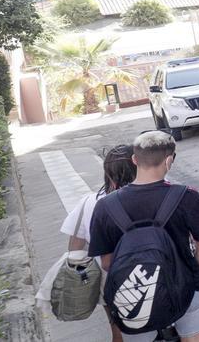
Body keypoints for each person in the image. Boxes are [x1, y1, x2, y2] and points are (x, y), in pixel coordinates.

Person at [88, 132, 199, 342]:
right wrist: (192, 267)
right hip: (185, 287)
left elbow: (106, 262)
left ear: (134, 159)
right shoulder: (187, 196)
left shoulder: (105, 206)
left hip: (133, 294)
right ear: (169, 160)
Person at [60, 144, 136, 342]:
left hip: (111, 279)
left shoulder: (89, 202)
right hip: (154, 272)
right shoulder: (154, 195)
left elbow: (75, 248)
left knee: (117, 327)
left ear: (107, 174)